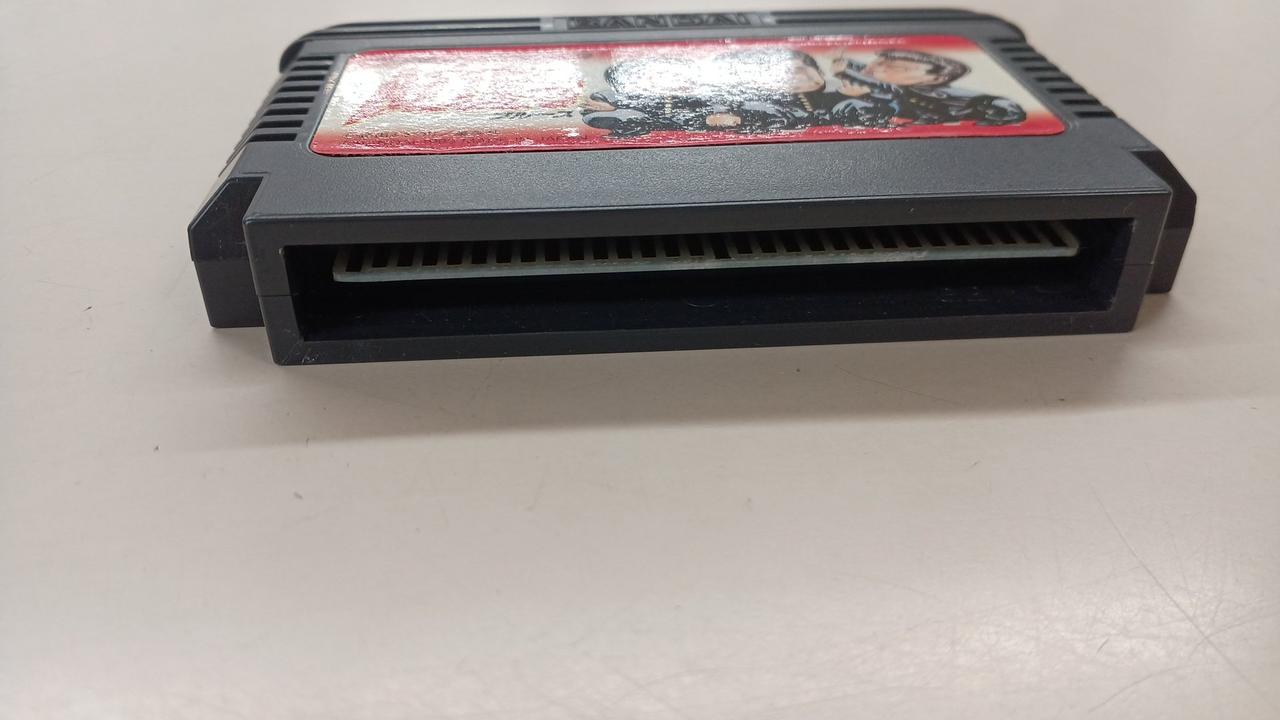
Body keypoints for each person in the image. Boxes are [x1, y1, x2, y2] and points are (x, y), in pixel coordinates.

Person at [829, 49, 1026, 128]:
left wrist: (846, 71)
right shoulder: (897, 87)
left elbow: (889, 87)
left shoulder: (934, 92)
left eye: (899, 68)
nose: (877, 69)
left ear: (936, 78)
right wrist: (848, 66)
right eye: (878, 63)